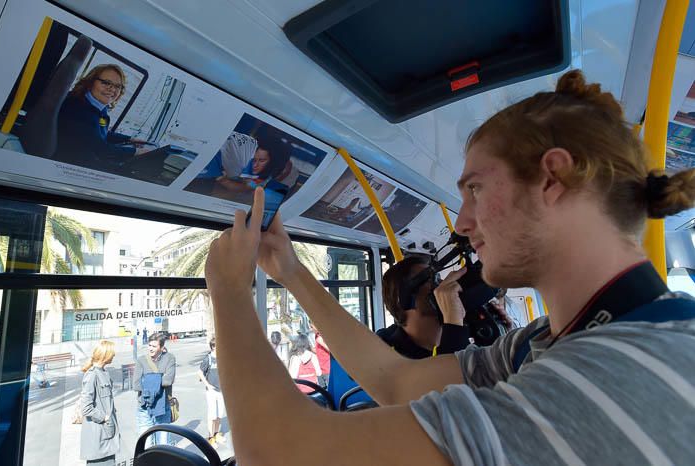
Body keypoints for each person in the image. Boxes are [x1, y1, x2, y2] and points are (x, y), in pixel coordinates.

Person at [204, 70, 695, 464]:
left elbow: (277, 453)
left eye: (475, 189)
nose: (461, 223)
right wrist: (290, 271)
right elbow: (395, 382)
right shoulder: (547, 341)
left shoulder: (608, 377)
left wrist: (228, 291)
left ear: (553, 178)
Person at [377, 256, 512, 359]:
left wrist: (498, 335)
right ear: (405, 299)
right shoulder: (386, 355)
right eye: (431, 280)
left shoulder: (464, 331)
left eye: (438, 278)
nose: (441, 286)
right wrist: (454, 325)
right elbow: (452, 389)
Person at [54, 64, 152, 171]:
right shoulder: (77, 107)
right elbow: (101, 149)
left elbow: (99, 133)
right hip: (68, 166)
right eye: (106, 83)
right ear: (90, 82)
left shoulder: (98, 108)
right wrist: (135, 152)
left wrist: (129, 139)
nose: (112, 89)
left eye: (117, 86)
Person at [79, 340, 120, 466]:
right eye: (112, 352)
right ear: (105, 354)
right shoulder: (92, 375)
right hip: (99, 435)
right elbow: (86, 408)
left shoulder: (103, 373)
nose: (114, 355)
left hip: (106, 433)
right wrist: (105, 418)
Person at [133, 332, 177, 446]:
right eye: (149, 345)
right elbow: (136, 384)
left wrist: (147, 380)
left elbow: (168, 381)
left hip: (163, 407)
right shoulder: (141, 360)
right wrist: (159, 379)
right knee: (146, 446)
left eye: (154, 346)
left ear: (162, 348)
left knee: (163, 445)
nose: (150, 348)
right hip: (144, 407)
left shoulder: (169, 358)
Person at [198, 337, 227, 448]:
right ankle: (210, 438)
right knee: (212, 415)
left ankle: (216, 434)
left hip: (221, 391)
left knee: (219, 414)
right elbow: (200, 373)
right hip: (211, 391)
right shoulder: (208, 359)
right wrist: (208, 385)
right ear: (213, 346)